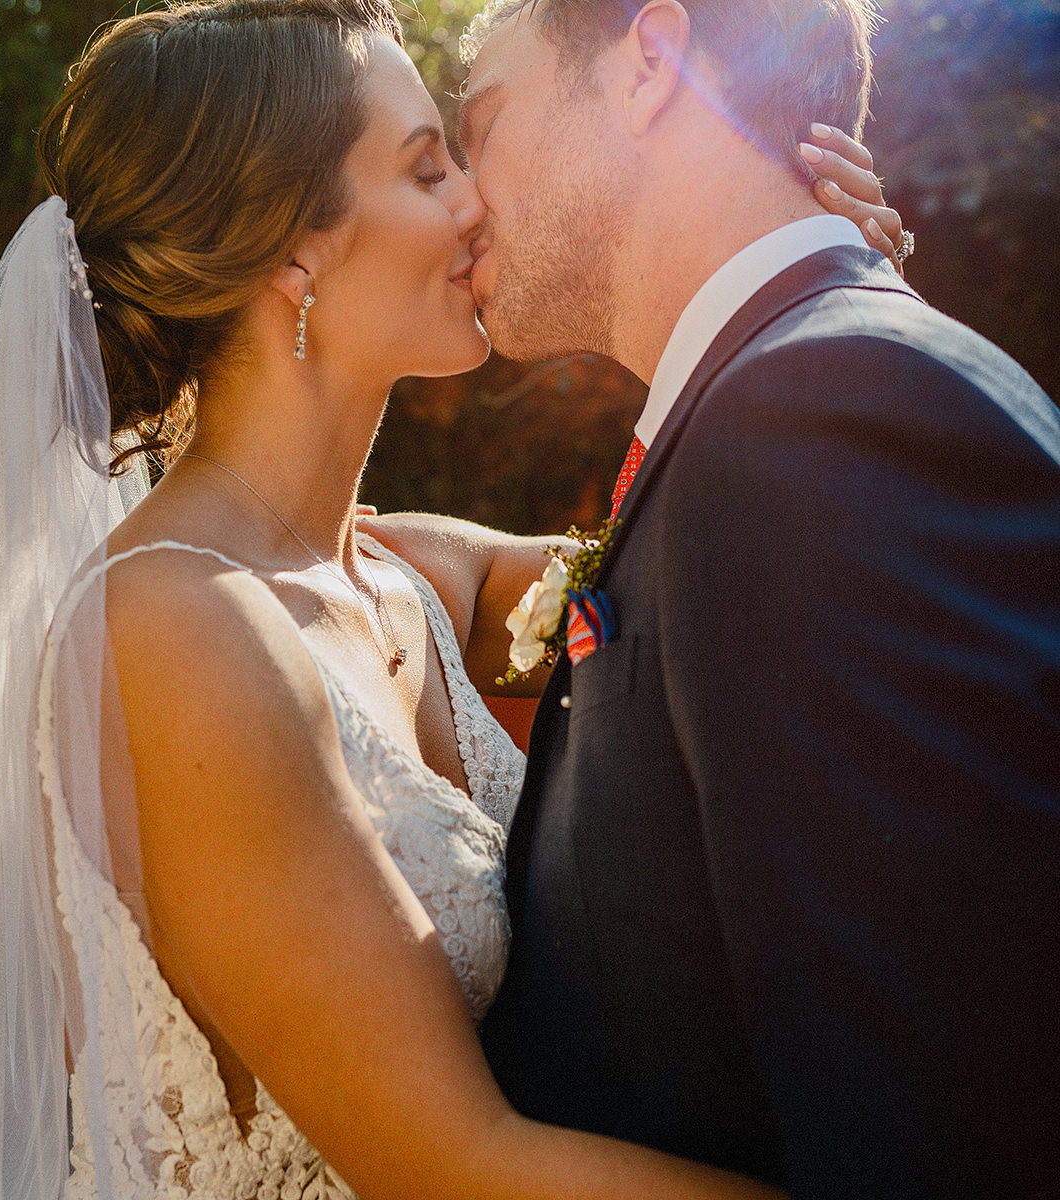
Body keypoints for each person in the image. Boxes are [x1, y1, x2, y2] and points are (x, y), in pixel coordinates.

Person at [0, 2, 904, 1197]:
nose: (478, 202)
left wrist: (819, 303)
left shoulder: (409, 574)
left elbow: (723, 563)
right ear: (291, 250)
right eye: (428, 166)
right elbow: (449, 1166)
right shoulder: (175, 629)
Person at [355, 2, 1060, 1198]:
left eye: (483, 126)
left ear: (651, 62)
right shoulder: (785, 406)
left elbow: (947, 1127)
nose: (463, 200)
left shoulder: (820, 420)